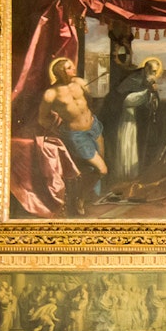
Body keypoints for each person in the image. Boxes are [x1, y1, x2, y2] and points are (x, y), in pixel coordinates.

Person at [39, 57, 106, 215]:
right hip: (76, 135)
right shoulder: (51, 93)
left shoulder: (81, 83)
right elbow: (42, 118)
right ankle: (80, 198)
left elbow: (89, 102)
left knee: (98, 169)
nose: (73, 69)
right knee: (102, 170)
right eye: (69, 68)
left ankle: (88, 194)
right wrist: (56, 129)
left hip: (94, 127)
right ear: (61, 71)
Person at [104, 57, 161, 186]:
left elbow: (154, 101)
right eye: (152, 71)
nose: (154, 74)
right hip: (129, 119)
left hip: (144, 121)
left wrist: (153, 94)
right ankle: (128, 176)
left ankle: (141, 175)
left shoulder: (149, 81)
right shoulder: (134, 79)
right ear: (146, 69)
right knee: (129, 146)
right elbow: (126, 100)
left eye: (156, 72)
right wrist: (147, 93)